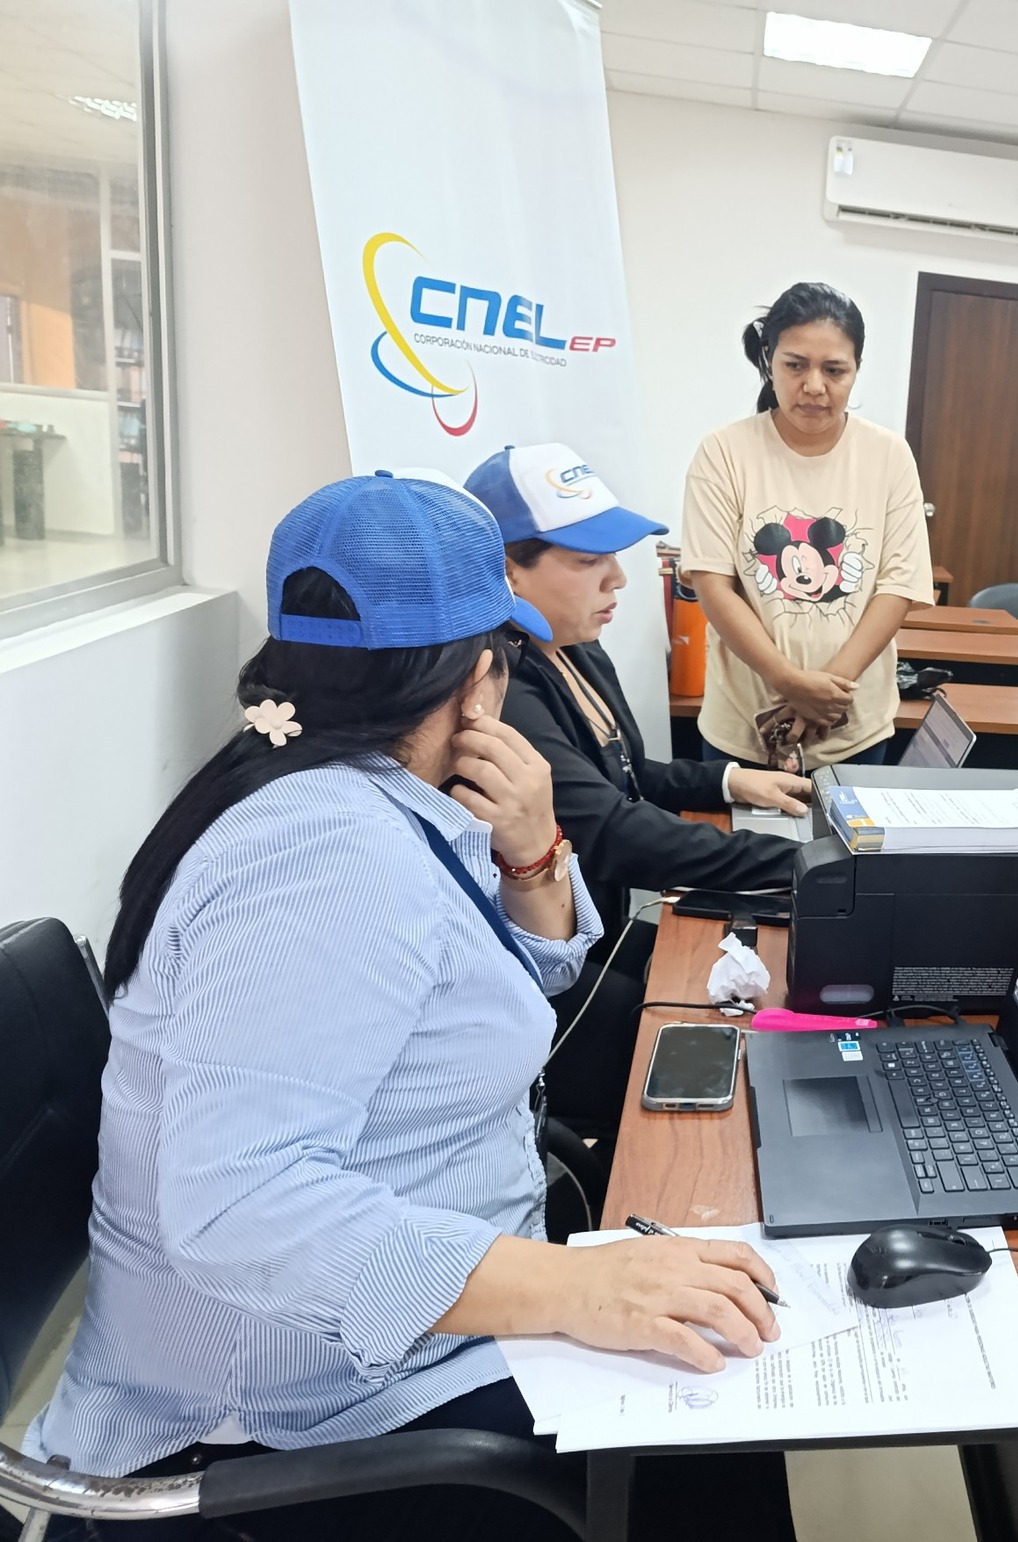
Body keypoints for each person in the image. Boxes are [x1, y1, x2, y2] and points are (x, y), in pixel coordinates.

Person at [27, 473, 797, 1541]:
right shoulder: (325, 851)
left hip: (389, 1337)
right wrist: (572, 1290)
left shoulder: (359, 792)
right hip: (295, 1418)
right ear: (480, 683)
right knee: (725, 1422)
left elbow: (478, 1008)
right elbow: (238, 1205)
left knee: (721, 1391)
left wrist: (531, 856)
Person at [463, 442, 808, 1148]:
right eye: (587, 562)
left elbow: (623, 773)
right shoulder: (503, 687)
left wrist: (726, 779)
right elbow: (609, 828)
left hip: (592, 927)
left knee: (732, 969)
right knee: (686, 1029)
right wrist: (802, 865)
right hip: (539, 965)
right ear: (507, 570)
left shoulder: (574, 646)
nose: (618, 579)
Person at [681, 281, 932, 770]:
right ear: (769, 360)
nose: (814, 386)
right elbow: (713, 585)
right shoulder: (724, 452)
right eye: (795, 365)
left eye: (834, 370)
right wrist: (789, 681)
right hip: (743, 726)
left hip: (853, 728)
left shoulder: (888, 455)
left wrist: (826, 693)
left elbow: (898, 585)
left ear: (857, 369)